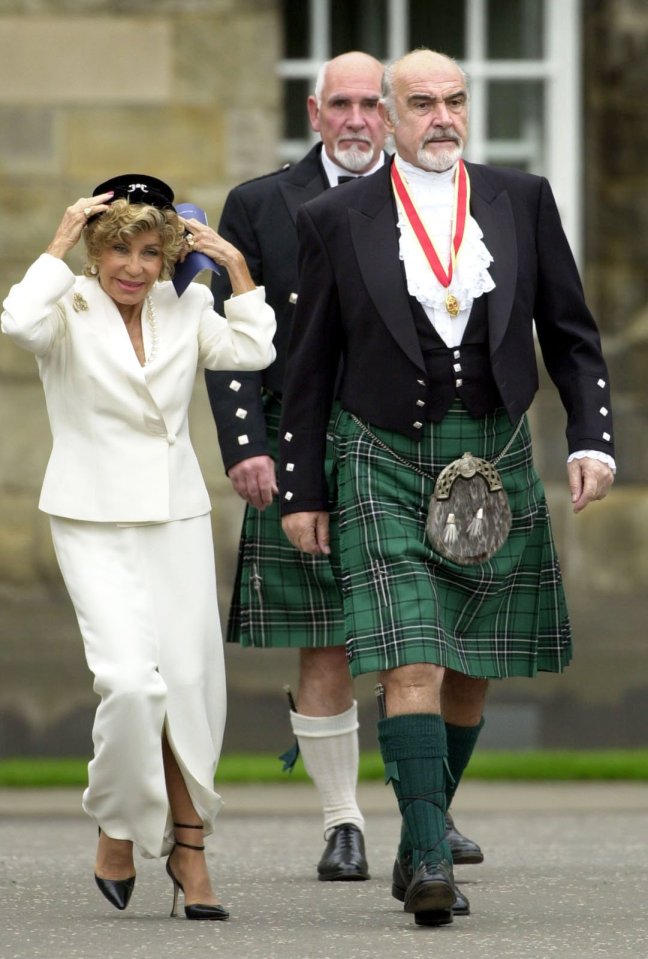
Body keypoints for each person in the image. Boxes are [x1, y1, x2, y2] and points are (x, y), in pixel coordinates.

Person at [279, 49, 615, 928]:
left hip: (494, 452)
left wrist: (593, 439)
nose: (442, 116)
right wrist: (301, 489)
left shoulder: (521, 199)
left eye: (455, 100)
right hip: (377, 452)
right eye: (421, 102)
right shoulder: (336, 217)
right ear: (387, 119)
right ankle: (430, 855)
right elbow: (307, 365)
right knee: (412, 654)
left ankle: (420, 823)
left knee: (471, 664)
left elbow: (572, 333)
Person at [205, 51, 483, 889]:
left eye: (373, 104)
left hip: (407, 441)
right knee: (325, 641)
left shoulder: (425, 198)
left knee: (439, 638)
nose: (360, 119)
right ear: (315, 112)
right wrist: (248, 443)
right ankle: (343, 823)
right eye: (344, 105)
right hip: (303, 432)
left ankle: (426, 815)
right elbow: (228, 338)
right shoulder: (259, 203)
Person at [1, 174, 276, 919]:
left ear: (166, 257)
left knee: (188, 685)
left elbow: (251, 350)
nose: (134, 266)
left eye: (150, 251)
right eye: (118, 248)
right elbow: (16, 320)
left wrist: (237, 270)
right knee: (130, 683)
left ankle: (191, 850)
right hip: (91, 520)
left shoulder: (182, 304)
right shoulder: (65, 303)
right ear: (96, 248)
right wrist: (58, 242)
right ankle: (118, 822)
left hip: (175, 517)